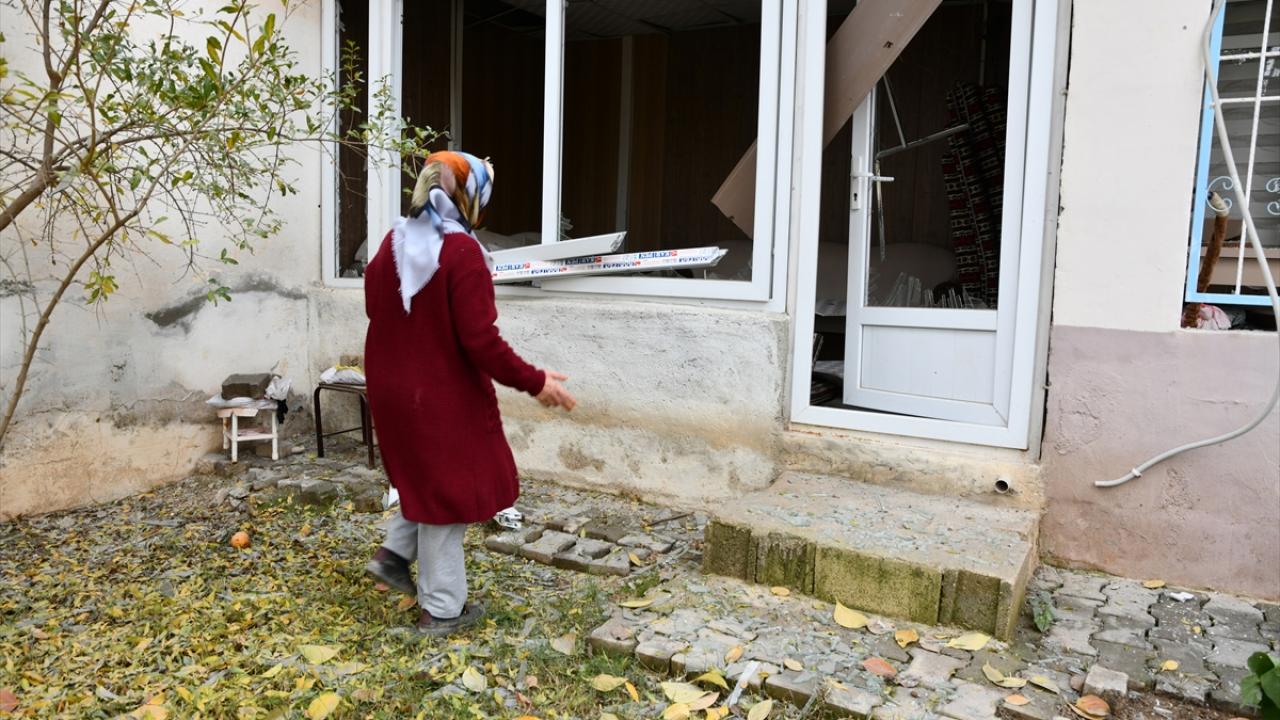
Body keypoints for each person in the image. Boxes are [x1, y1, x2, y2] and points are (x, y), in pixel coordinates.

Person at [361, 150, 576, 636]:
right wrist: (536, 381)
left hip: (391, 388)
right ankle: (441, 610)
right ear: (469, 195)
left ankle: (394, 555)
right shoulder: (461, 254)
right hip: (438, 396)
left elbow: (377, 309)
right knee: (449, 498)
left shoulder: (393, 242)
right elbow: (481, 342)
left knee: (423, 478)